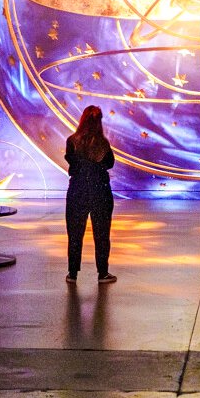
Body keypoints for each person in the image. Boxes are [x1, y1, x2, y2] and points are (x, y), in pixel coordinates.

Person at [64, 105, 117, 284]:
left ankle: (72, 273)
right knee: (102, 233)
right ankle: (102, 273)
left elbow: (72, 162)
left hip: (77, 191)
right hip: (100, 191)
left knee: (74, 233)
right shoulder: (103, 143)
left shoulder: (72, 141)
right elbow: (110, 164)